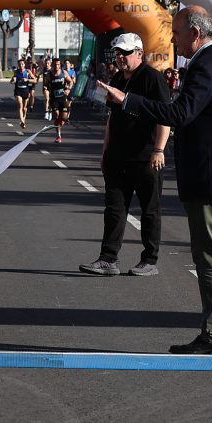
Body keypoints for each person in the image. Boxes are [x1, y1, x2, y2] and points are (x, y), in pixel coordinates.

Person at [97, 7, 212, 355]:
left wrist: (126, 99)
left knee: (209, 255)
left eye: (175, 32)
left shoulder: (204, 67)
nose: (172, 38)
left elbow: (179, 114)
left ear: (194, 32)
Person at [80, 34, 170, 278]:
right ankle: (108, 259)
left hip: (146, 157)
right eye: (118, 52)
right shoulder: (118, 78)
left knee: (150, 210)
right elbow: (112, 119)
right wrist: (105, 151)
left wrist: (159, 149)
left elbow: (165, 117)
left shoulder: (153, 78)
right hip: (118, 157)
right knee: (114, 209)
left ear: (139, 53)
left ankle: (150, 259)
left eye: (126, 52)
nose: (120, 57)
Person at [43, 57, 74, 142]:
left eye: (58, 64)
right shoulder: (49, 75)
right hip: (54, 99)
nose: (56, 66)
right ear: (52, 65)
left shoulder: (64, 73)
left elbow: (71, 82)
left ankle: (62, 121)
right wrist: (46, 88)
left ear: (60, 65)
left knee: (63, 118)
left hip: (63, 98)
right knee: (56, 116)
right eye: (55, 64)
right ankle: (58, 136)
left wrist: (68, 89)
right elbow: (46, 84)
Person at [12, 56, 36, 128]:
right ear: (18, 65)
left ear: (24, 65)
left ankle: (24, 119)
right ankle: (22, 121)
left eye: (22, 64)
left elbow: (35, 80)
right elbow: (12, 81)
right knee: (20, 105)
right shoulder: (16, 72)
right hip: (18, 90)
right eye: (19, 64)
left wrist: (27, 80)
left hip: (25, 90)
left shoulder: (28, 71)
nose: (21, 65)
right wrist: (13, 80)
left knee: (25, 108)